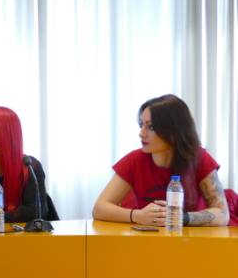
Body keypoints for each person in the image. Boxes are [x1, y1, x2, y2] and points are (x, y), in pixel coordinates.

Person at [93, 94, 229, 226]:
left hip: (190, 237)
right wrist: (137, 216)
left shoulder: (199, 158)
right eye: (141, 125)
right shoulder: (134, 160)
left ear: (174, 130)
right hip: (147, 235)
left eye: (150, 127)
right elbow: (99, 208)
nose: (141, 133)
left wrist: (180, 218)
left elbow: (223, 214)